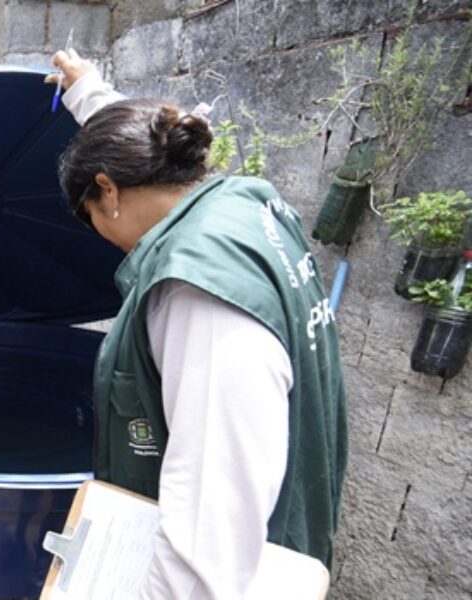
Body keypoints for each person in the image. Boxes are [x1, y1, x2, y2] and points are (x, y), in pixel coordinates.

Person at [47, 50, 347, 598]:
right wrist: (90, 93)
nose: (101, 236)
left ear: (107, 191)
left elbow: (211, 527)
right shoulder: (243, 205)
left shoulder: (197, 294)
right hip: (284, 534)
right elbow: (145, 147)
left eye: (90, 216)